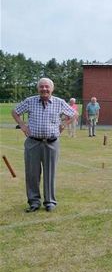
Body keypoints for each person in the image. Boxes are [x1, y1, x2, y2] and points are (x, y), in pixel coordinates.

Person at [11, 78, 76, 212]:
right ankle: (34, 202)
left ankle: (50, 202)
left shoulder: (59, 102)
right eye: (41, 87)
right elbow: (15, 112)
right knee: (32, 174)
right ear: (38, 89)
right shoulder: (30, 101)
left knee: (50, 173)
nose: (44, 89)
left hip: (51, 143)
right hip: (33, 142)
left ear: (52, 89)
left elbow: (74, 114)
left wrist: (64, 124)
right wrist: (23, 126)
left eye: (47, 87)